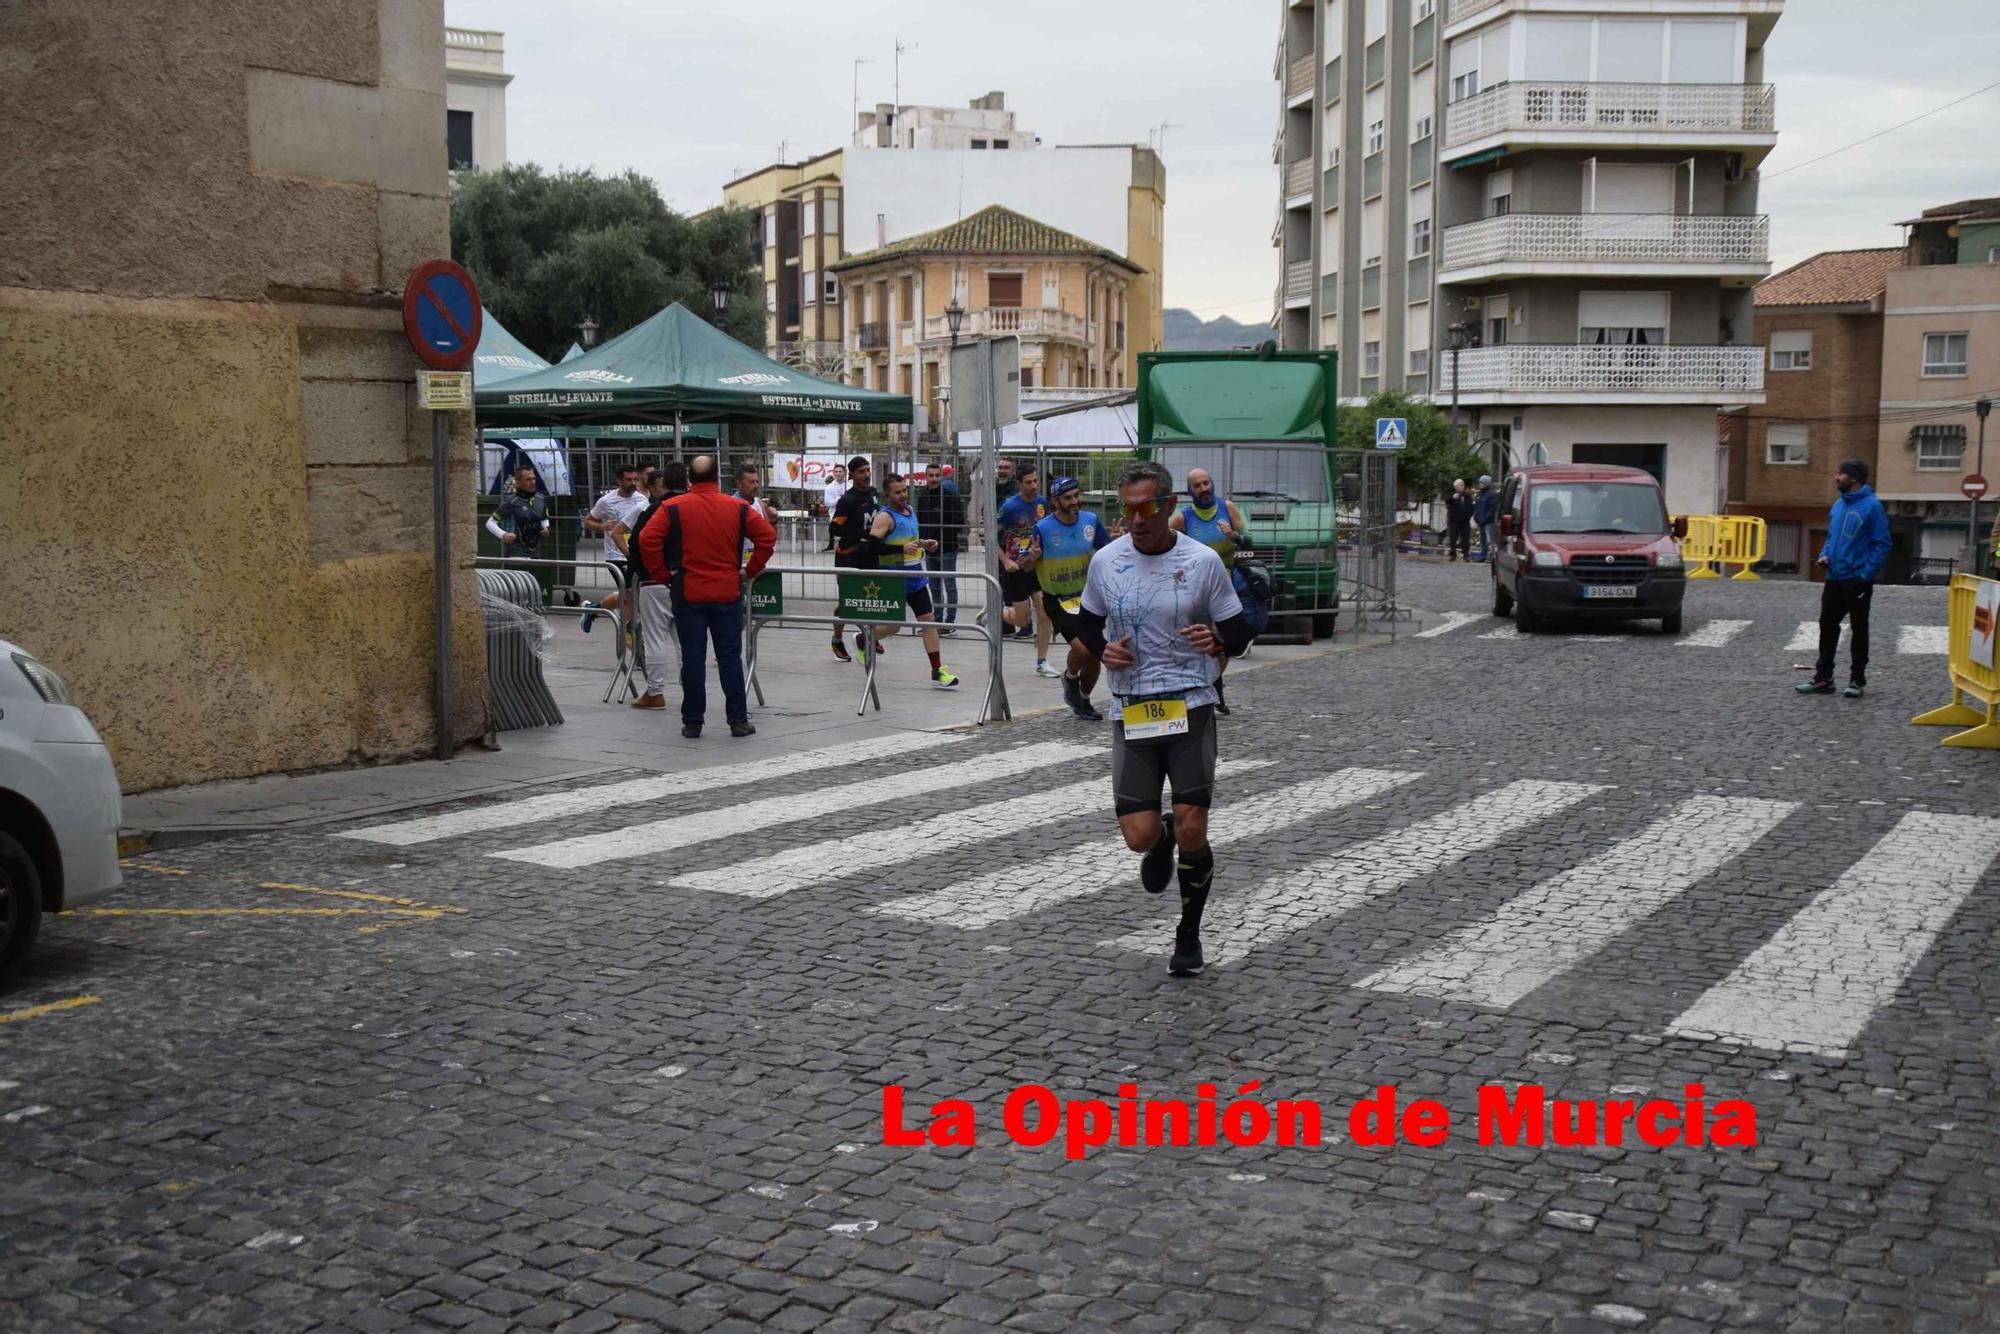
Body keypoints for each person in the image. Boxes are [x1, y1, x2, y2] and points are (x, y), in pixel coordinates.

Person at [1073, 461, 1253, 978]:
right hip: (1133, 707)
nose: (1136, 519)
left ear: (1169, 506)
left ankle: (1188, 933)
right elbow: (1086, 625)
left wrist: (1218, 641)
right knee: (1139, 835)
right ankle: (1164, 834)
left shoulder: (1201, 563)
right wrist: (1102, 651)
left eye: (1146, 507)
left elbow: (1238, 630)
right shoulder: (1106, 562)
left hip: (1190, 702)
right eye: (1126, 509)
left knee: (1196, 824)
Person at [637, 454, 777, 737]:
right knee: (729, 657)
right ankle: (737, 720)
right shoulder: (737, 507)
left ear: (691, 478)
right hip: (727, 592)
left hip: (688, 592)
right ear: (718, 478)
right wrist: (750, 570)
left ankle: (692, 722)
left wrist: (663, 574)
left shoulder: (671, 507)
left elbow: (646, 539)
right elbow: (767, 537)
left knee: (692, 658)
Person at [851, 473, 961, 690]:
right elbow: (871, 547)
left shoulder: (910, 511)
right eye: (897, 492)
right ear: (887, 494)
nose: (902, 495)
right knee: (894, 626)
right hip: (893, 579)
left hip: (915, 577)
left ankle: (937, 670)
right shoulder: (885, 517)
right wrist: (900, 549)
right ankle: (864, 638)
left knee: (928, 621)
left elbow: (909, 539)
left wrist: (923, 543)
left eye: (904, 490)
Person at [1798, 459, 1891, 700]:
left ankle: (1856, 680)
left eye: (1840, 474)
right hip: (1834, 577)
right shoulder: (1838, 505)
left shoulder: (1872, 507)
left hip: (1857, 580)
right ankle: (1823, 679)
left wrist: (1866, 575)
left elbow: (1882, 544)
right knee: (1827, 627)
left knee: (1859, 630)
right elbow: (1831, 537)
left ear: (1855, 478)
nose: (1835, 477)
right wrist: (1823, 555)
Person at [1170, 467, 1253, 717]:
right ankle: (1207, 690)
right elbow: (1165, 546)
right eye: (1197, 485)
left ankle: (1213, 685)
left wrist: (1233, 535)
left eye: (1206, 483)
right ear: (1190, 491)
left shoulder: (1227, 508)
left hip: (1225, 584)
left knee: (1223, 640)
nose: (1204, 488)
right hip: (1194, 588)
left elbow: (1250, 541)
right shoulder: (1182, 518)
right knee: (1199, 640)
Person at [1034, 477, 1112, 721]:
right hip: (1057, 599)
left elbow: (1106, 550)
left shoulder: (1091, 521)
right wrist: (1031, 558)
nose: (1075, 501)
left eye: (1077, 495)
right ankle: (1069, 678)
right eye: (1068, 498)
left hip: (1089, 596)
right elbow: (1026, 564)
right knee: (1084, 649)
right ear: (1055, 501)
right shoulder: (1043, 528)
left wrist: (1117, 540)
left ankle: (1084, 699)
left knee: (1094, 652)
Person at [613, 468, 676, 710]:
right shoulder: (644, 509)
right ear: (650, 488)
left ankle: (657, 690)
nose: (663, 490)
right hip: (665, 578)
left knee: (664, 637)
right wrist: (633, 558)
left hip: (659, 578)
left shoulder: (661, 509)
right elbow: (618, 531)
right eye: (659, 485)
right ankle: (660, 689)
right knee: (664, 636)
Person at [580, 464, 648, 633]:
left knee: (632, 594)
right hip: (616, 555)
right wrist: (602, 526)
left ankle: (594, 609)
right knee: (631, 594)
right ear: (619, 480)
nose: (632, 483)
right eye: (628, 480)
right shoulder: (606, 501)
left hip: (635, 553)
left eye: (635, 479)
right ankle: (631, 633)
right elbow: (588, 521)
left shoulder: (641, 500)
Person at [828, 456, 880, 661]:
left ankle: (868, 637)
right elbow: (835, 528)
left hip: (869, 555)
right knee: (848, 602)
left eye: (868, 470)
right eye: (861, 471)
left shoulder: (874, 493)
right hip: (848, 556)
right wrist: (860, 534)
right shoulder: (847, 500)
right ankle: (837, 640)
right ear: (852, 475)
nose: (866, 475)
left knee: (871, 598)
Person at [996, 465, 1049, 658]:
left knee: (1044, 613)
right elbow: (991, 536)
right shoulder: (1009, 507)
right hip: (1016, 568)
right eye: (1029, 482)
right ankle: (993, 613)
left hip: (1036, 565)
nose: (1034, 485)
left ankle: (1042, 661)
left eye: (1036, 481)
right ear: (1019, 484)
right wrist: (1005, 560)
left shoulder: (1042, 503)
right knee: (1022, 620)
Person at [915, 461, 966, 632]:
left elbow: (959, 522)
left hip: (948, 548)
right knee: (934, 585)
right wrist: (924, 542)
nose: (934, 479)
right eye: (931, 475)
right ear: (926, 477)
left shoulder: (951, 496)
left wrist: (940, 541)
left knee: (949, 585)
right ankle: (936, 620)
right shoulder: (922, 496)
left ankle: (950, 623)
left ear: (942, 476)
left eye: (937, 475)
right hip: (929, 550)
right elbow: (920, 522)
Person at [486, 464, 549, 558]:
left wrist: (546, 528)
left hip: (535, 554)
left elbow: (544, 519)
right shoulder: (511, 501)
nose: (533, 482)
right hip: (516, 554)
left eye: (534, 479)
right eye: (528, 479)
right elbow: (490, 523)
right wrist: (503, 535)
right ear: (518, 483)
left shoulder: (541, 499)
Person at [821, 464, 850, 552]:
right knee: (834, 528)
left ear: (845, 473)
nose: (838, 474)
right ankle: (831, 544)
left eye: (840, 472)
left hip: (849, 513)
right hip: (835, 513)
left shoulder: (850, 486)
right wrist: (839, 499)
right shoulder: (829, 487)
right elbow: (827, 502)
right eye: (836, 472)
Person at [1444, 479, 1474, 562]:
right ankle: (1453, 554)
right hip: (1454, 521)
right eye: (1460, 485)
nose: (1462, 487)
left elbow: (1471, 507)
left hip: (1465, 521)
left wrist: (1469, 515)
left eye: (1463, 485)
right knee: (1453, 539)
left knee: (1465, 539)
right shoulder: (1452, 495)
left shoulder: (1467, 496)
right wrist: (1453, 497)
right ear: (1456, 487)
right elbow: (1447, 500)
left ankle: (1466, 555)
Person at [1472, 475, 1499, 560]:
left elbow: (1492, 509)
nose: (1480, 484)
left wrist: (1485, 519)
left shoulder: (1492, 495)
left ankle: (1490, 555)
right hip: (1481, 521)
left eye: (1482, 482)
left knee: (1489, 539)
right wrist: (1476, 517)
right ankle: (1483, 554)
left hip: (1488, 522)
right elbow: (1477, 507)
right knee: (1483, 540)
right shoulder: (1480, 495)